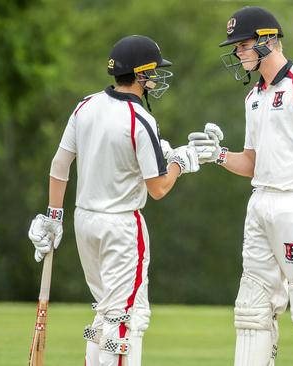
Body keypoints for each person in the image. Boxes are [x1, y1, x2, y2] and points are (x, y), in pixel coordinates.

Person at [188, 6, 293, 366]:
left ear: (267, 40)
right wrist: (216, 155)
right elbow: (252, 163)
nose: (237, 53)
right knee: (251, 309)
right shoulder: (253, 97)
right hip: (259, 202)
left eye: (242, 45)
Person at [27, 35, 199, 366]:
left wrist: (53, 217)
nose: (156, 79)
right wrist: (181, 162)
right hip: (121, 227)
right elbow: (158, 188)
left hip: (84, 222)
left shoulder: (85, 106)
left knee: (106, 312)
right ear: (140, 74)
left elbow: (60, 166)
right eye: (153, 72)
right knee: (126, 318)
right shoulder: (141, 120)